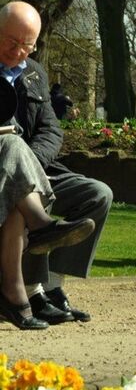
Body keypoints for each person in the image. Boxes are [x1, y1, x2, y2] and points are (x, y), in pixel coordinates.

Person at [0, 1, 112, 323]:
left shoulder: (35, 73)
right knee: (13, 158)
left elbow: (51, 129)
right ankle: (33, 292)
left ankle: (51, 287)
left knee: (98, 194)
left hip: (36, 170)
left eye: (27, 44)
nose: (19, 50)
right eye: (11, 41)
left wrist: (29, 163)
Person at [0, 133, 96, 329]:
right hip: (15, 163)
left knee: (19, 191)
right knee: (14, 151)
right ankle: (41, 227)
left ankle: (41, 288)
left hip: (29, 165)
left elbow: (50, 132)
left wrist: (29, 157)